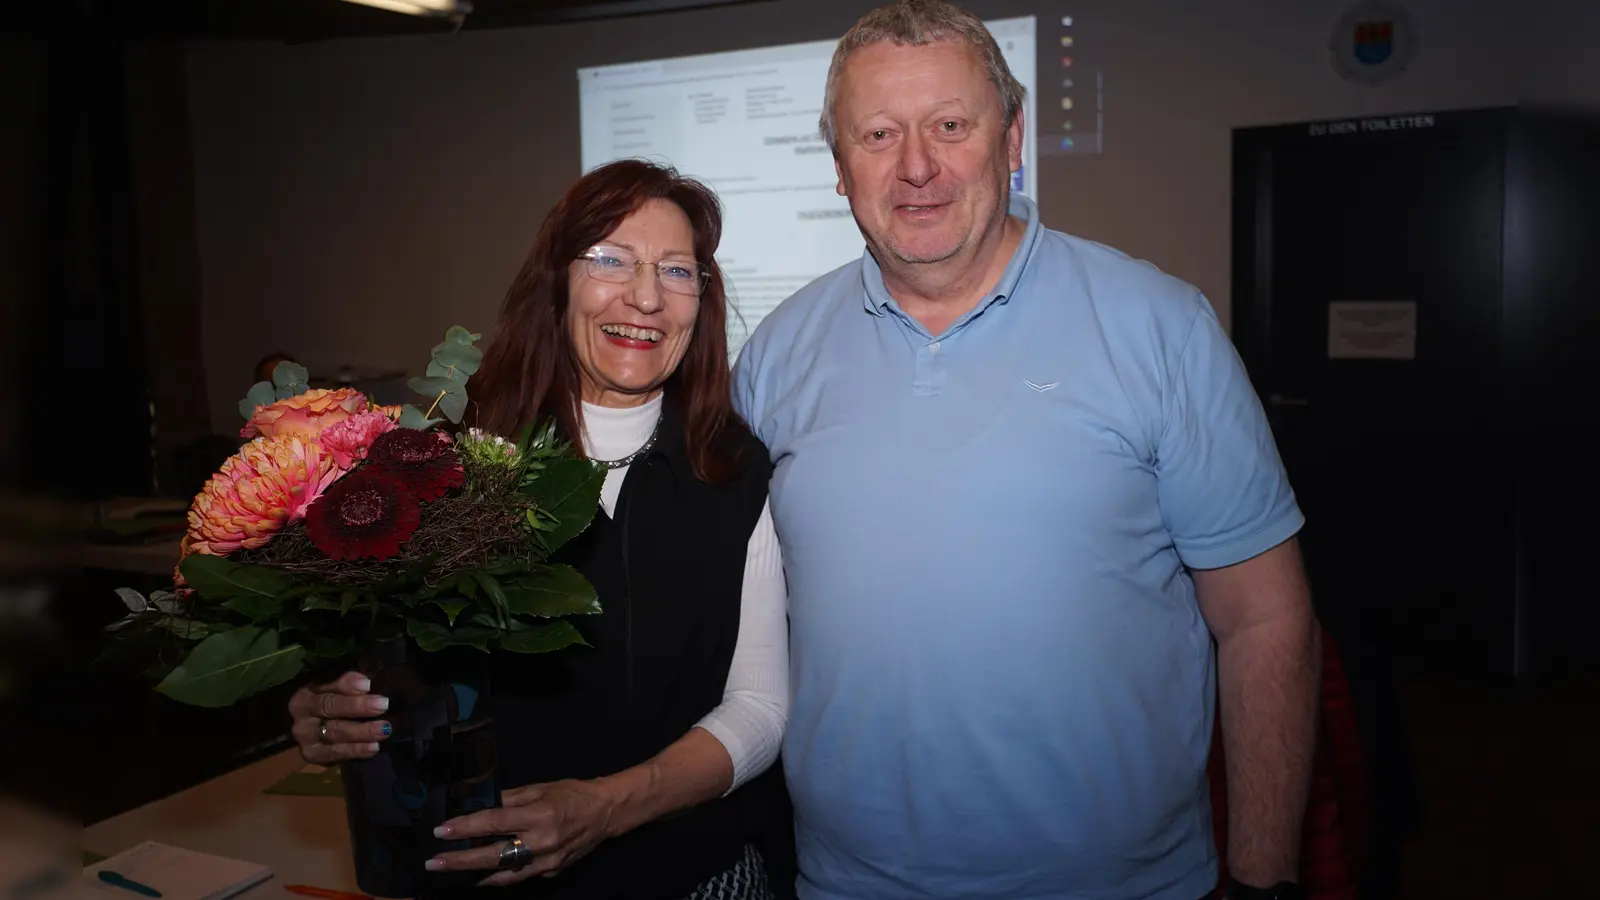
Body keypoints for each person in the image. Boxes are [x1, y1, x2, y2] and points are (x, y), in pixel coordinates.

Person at [731, 2, 1321, 899]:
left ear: (1011, 141)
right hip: (846, 882)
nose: (917, 167)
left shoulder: (1160, 328)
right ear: (841, 168)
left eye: (951, 126)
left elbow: (1265, 621)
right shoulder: (776, 354)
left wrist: (1264, 878)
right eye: (879, 134)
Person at [287, 159, 792, 900]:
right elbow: (405, 686)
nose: (646, 296)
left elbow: (762, 708)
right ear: (557, 282)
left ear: (701, 300)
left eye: (676, 270)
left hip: (690, 875)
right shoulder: (451, 469)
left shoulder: (737, 474)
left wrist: (607, 807)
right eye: (611, 259)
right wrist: (336, 714)